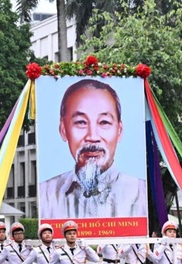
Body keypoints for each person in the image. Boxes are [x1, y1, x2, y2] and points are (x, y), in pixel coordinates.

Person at [39, 79, 147, 219]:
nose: (92, 136)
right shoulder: (46, 193)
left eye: (104, 122)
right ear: (63, 130)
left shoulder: (140, 191)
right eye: (81, 122)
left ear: (119, 131)